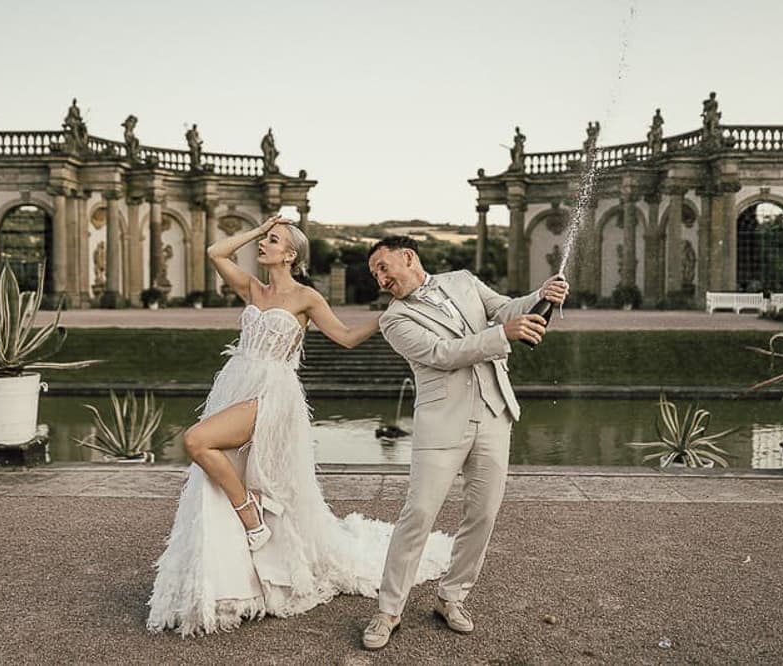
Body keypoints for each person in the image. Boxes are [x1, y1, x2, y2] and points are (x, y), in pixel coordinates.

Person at [146, 218, 453, 636]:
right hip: (236, 384)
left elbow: (344, 337)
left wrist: (387, 317)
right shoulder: (253, 289)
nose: (264, 245)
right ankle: (236, 582)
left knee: (197, 441)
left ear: (291, 255)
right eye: (265, 240)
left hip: (272, 394)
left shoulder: (306, 297)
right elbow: (215, 253)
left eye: (273, 241)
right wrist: (259, 229)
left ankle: (251, 515)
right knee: (218, 469)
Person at [362, 236, 569, 650]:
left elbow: (504, 309)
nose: (381, 279)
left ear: (408, 257)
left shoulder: (462, 280)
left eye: (384, 268)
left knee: (484, 514)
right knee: (418, 514)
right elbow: (442, 353)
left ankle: (451, 597)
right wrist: (502, 336)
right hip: (442, 424)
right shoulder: (394, 319)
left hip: (495, 414)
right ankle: (388, 611)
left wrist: (541, 294)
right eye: (375, 275)